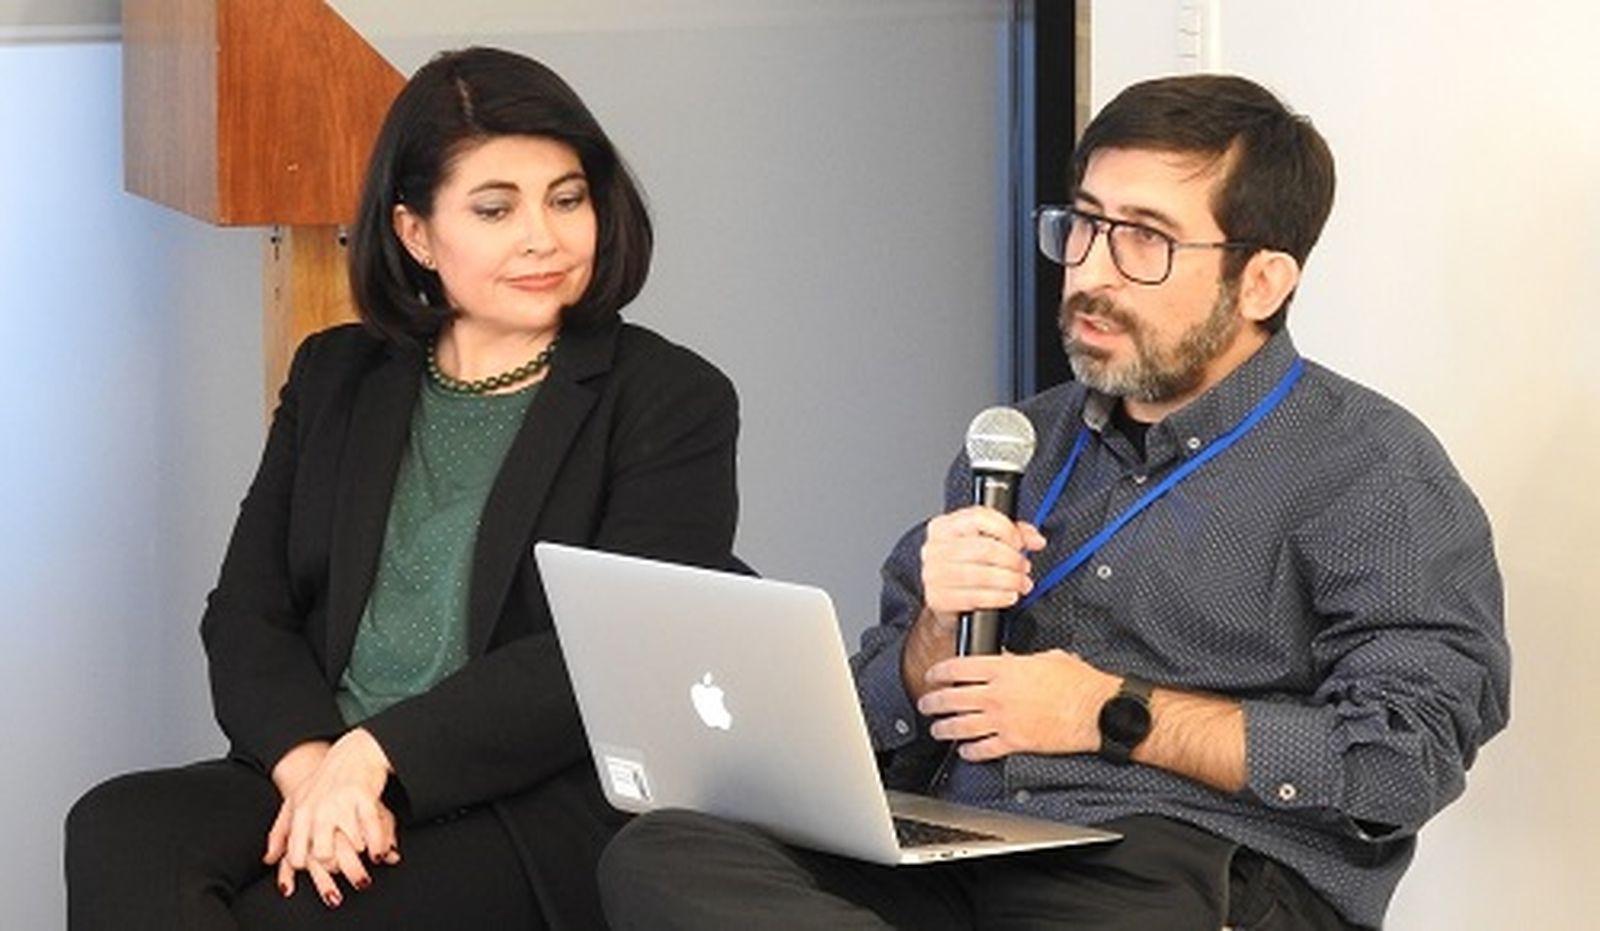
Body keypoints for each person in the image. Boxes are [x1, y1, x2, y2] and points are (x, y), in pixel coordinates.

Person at [598, 74, 1509, 930]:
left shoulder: (1370, 467)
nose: (1089, 272)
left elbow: (1402, 760)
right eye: (1082, 224)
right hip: (971, 845)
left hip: (1185, 864)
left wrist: (1111, 710)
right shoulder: (1016, 442)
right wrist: (927, 641)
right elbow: (891, 738)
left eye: (1144, 238)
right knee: (664, 853)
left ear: (1263, 280)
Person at [65, 46, 740, 930]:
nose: (544, 235)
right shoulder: (337, 373)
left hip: (525, 795)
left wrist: (379, 756)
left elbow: (608, 652)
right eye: (496, 209)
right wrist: (316, 768)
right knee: (120, 827)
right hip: (328, 760)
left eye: (567, 199)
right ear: (416, 233)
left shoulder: (671, 397)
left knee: (295, 913)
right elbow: (246, 610)